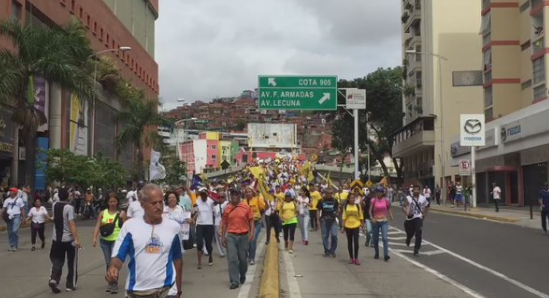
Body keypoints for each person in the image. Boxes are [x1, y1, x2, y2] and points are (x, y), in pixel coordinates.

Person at [107, 184, 182, 298]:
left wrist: (178, 290)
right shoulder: (130, 227)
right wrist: (114, 268)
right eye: (153, 203)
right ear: (143, 204)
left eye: (160, 202)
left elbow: (177, 259)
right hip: (137, 291)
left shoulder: (173, 227)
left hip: (166, 291)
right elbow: (119, 255)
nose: (158, 206)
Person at [92, 192, 126, 294]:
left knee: (113, 263)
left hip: (116, 240)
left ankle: (114, 284)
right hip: (104, 241)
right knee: (108, 262)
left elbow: (126, 227)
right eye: (111, 201)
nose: (112, 203)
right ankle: (110, 282)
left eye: (114, 201)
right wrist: (94, 238)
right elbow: (98, 225)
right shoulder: (103, 213)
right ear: (107, 202)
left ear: (117, 202)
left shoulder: (121, 213)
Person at [48, 187, 81, 293]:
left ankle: (54, 279)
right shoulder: (69, 208)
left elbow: (54, 218)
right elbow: (71, 223)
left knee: (57, 260)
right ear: (67, 196)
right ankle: (70, 285)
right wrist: (76, 239)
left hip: (56, 239)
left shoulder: (54, 205)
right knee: (72, 262)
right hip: (69, 240)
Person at [221, 189, 255, 290]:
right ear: (230, 196)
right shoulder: (227, 208)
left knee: (243, 259)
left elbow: (251, 221)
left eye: (236, 194)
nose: (234, 196)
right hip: (231, 236)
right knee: (232, 259)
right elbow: (224, 223)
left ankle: (242, 273)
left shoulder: (246, 207)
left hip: (244, 236)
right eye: (233, 194)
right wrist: (223, 237)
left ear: (240, 195)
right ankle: (234, 281)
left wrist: (252, 233)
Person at [402, 185, 429, 256]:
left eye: (417, 190)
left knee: (418, 232)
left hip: (418, 217)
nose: (416, 191)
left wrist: (424, 215)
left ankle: (416, 249)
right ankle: (408, 238)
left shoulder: (423, 198)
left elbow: (427, 206)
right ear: (413, 190)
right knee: (409, 232)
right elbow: (403, 207)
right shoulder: (409, 198)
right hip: (409, 218)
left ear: (419, 191)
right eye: (415, 190)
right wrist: (407, 213)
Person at [241, 186, 266, 265]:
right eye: (247, 192)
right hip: (247, 224)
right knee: (247, 241)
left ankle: (252, 258)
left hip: (256, 223)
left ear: (253, 192)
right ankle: (249, 254)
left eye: (250, 191)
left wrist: (261, 219)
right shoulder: (243, 202)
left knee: (253, 239)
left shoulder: (258, 199)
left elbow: (263, 210)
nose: (248, 193)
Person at [194, 187, 216, 269]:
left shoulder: (210, 201)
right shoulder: (197, 200)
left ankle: (210, 255)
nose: (203, 197)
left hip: (209, 225)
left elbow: (217, 201)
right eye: (201, 195)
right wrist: (193, 218)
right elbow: (195, 212)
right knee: (199, 243)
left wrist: (209, 195)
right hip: (200, 225)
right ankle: (199, 262)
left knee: (208, 244)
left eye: (204, 195)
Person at [370, 186, 393, 262]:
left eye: (380, 192)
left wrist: (391, 215)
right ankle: (376, 253)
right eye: (377, 192)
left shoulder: (386, 200)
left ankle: (386, 255)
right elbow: (370, 210)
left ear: (383, 193)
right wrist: (371, 217)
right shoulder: (373, 200)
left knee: (385, 238)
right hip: (375, 221)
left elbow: (389, 208)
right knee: (376, 239)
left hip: (384, 221)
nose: (379, 193)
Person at [341, 193, 363, 265]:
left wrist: (363, 225)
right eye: (351, 198)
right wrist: (343, 227)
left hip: (356, 225)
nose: (352, 199)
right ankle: (351, 258)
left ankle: (356, 258)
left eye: (353, 198)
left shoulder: (357, 206)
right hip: (348, 226)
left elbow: (361, 216)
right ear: (348, 199)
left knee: (356, 242)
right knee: (349, 242)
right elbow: (344, 217)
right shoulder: (346, 206)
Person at [317, 188, 339, 258]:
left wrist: (337, 213)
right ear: (325, 193)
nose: (329, 194)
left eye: (330, 193)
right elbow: (318, 210)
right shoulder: (321, 201)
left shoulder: (335, 200)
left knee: (334, 235)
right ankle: (326, 250)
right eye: (327, 193)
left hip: (333, 220)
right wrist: (318, 220)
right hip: (324, 220)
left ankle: (332, 250)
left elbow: (338, 209)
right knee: (325, 236)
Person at [2, 187, 26, 252]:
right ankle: (12, 246)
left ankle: (15, 245)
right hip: (9, 217)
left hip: (17, 216)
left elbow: (22, 209)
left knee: (14, 230)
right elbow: (3, 209)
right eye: (10, 191)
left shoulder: (19, 200)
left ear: (15, 192)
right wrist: (1, 214)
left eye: (11, 191)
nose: (10, 192)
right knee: (10, 232)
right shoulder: (7, 200)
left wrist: (23, 218)